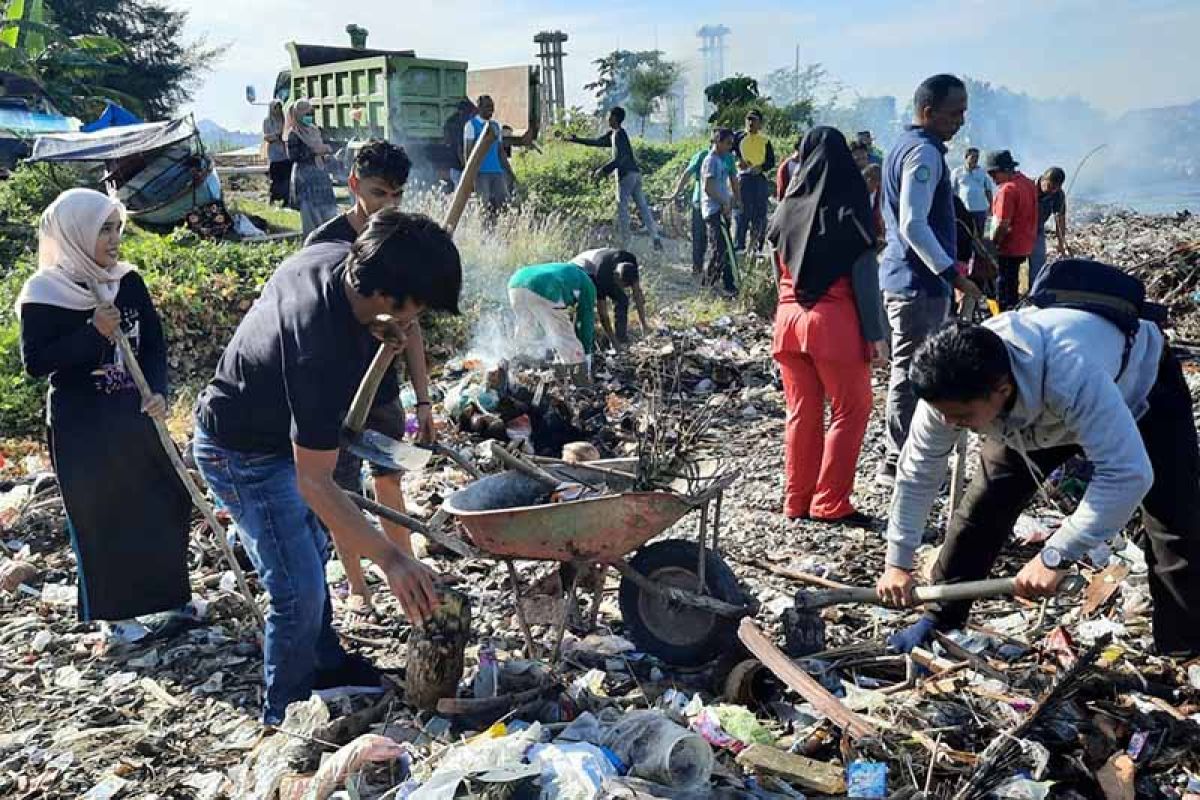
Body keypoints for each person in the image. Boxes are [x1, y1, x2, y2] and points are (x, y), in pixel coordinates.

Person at [192, 209, 462, 724]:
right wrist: (391, 559)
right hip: (240, 450)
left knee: (310, 553)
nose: (416, 319)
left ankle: (326, 662)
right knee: (297, 586)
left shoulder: (337, 257)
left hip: (276, 431)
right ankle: (286, 712)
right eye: (417, 307)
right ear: (385, 293)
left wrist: (381, 328)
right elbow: (313, 480)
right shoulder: (317, 341)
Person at [877, 301, 1200, 660]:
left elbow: (1128, 474)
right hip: (1026, 419)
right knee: (982, 509)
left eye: (961, 416)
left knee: (1173, 522)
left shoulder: (1072, 374)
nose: (950, 424)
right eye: (944, 414)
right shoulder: (947, 389)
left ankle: (1182, 649)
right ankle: (940, 621)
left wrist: (1056, 554)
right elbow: (918, 472)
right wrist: (898, 562)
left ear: (999, 388)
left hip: (1139, 386)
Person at [17, 189, 192, 634]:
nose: (114, 240)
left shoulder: (126, 280)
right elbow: (37, 362)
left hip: (134, 415)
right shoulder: (45, 291)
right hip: (84, 427)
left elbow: (152, 341)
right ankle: (116, 618)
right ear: (74, 233)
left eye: (116, 228)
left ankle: (171, 601)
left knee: (166, 499)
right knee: (102, 515)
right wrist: (93, 333)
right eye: (103, 230)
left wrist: (159, 392)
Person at [305, 140, 435, 614]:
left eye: (397, 195)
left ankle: (406, 571)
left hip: (382, 387)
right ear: (355, 185)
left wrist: (423, 401)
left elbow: (413, 324)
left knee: (390, 480)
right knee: (341, 490)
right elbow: (315, 321)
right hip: (334, 389)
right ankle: (358, 586)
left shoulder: (402, 242)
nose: (389, 204)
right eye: (379, 193)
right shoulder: (326, 244)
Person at [767, 128, 888, 527]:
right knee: (851, 409)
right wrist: (877, 335)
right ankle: (830, 502)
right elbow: (865, 277)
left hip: (787, 321)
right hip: (833, 322)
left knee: (801, 412)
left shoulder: (785, 209)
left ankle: (796, 501)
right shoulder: (849, 206)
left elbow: (779, 270)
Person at [877, 74, 981, 488]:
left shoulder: (904, 147)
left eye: (963, 111)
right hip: (917, 284)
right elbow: (913, 224)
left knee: (911, 366)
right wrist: (953, 274)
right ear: (927, 112)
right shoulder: (924, 154)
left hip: (907, 279)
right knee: (913, 369)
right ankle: (899, 458)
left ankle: (902, 455)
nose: (960, 120)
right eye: (954, 112)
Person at [563, 106, 663, 250]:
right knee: (643, 206)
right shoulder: (615, 134)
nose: (607, 119)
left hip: (626, 175)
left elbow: (620, 158)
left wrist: (603, 170)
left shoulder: (619, 135)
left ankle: (626, 243)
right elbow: (597, 142)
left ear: (615, 118)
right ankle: (655, 237)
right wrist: (576, 140)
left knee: (622, 207)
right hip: (635, 173)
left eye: (610, 116)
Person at [507, 262, 597, 368]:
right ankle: (580, 380)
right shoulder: (586, 281)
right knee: (567, 341)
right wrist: (586, 354)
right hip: (544, 287)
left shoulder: (565, 271)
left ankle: (516, 366)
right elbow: (585, 321)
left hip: (515, 283)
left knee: (526, 330)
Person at [674, 139, 738, 276]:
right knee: (699, 237)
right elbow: (687, 173)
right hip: (700, 201)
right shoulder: (704, 156)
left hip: (720, 204)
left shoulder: (728, 158)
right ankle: (697, 268)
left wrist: (735, 200)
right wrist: (676, 193)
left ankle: (715, 273)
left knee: (720, 241)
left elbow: (733, 179)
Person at [984, 150, 1038, 310]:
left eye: (994, 174)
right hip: (1025, 244)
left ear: (1005, 170)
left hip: (1009, 247)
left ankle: (1003, 315)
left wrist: (993, 244)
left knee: (1003, 283)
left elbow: (1003, 224)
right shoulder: (1028, 183)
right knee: (1013, 280)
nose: (992, 179)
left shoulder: (1007, 190)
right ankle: (1013, 308)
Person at [571, 248, 648, 345]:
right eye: (622, 285)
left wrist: (644, 325)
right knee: (586, 308)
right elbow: (603, 313)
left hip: (603, 262)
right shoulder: (601, 275)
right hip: (581, 269)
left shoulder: (630, 259)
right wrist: (613, 341)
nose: (623, 288)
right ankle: (581, 340)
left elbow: (637, 293)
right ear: (616, 276)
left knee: (622, 299)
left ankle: (622, 339)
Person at [285, 99, 339, 236]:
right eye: (306, 114)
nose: (309, 116)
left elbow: (323, 149)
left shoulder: (315, 131)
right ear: (298, 115)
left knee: (328, 215)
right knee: (311, 218)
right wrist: (315, 151)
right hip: (305, 180)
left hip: (320, 177)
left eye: (311, 113)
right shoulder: (294, 134)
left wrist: (327, 155)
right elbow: (294, 156)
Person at [702, 128, 739, 298]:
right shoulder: (711, 161)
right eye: (727, 143)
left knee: (725, 248)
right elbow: (708, 188)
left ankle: (727, 284)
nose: (730, 147)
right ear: (717, 141)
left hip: (722, 209)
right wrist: (724, 202)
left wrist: (730, 202)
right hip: (713, 210)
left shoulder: (723, 160)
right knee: (719, 248)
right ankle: (708, 284)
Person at [733, 109, 776, 253]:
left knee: (760, 213)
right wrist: (738, 161)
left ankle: (757, 247)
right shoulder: (738, 137)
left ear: (760, 123)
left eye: (754, 120)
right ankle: (739, 246)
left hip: (758, 179)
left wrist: (761, 167)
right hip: (742, 178)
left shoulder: (765, 141)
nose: (751, 122)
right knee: (742, 212)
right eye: (748, 119)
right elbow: (727, 152)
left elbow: (771, 161)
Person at [463, 95, 513, 215]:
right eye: (487, 107)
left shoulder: (496, 126)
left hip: (497, 172)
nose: (491, 110)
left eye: (492, 107)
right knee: (483, 206)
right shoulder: (471, 125)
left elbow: (500, 152)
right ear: (479, 108)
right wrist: (470, 176)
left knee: (505, 203)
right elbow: (468, 152)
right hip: (481, 173)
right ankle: (483, 230)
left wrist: (509, 171)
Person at [1030, 166, 1071, 283]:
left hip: (1037, 228)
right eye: (1050, 187)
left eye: (1056, 188)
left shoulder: (1058, 194)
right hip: (1020, 227)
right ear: (1043, 179)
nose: (1052, 191)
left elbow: (1060, 219)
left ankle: (1033, 291)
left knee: (1038, 262)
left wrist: (1061, 243)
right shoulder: (1028, 187)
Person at [950, 147, 994, 233]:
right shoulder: (957, 172)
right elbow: (952, 192)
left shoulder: (983, 172)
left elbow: (988, 190)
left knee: (983, 234)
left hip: (981, 210)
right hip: (964, 210)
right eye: (973, 157)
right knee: (965, 234)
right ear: (966, 157)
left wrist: (991, 207)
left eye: (977, 157)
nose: (975, 159)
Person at [263, 100, 291, 206]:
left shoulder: (284, 120)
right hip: (274, 153)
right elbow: (266, 136)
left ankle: (286, 199)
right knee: (275, 177)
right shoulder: (267, 121)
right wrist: (276, 135)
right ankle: (273, 198)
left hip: (285, 153)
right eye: (275, 108)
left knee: (285, 178)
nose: (278, 110)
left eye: (279, 107)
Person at [443, 99, 476, 188]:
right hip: (461, 163)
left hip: (454, 163)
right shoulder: (467, 123)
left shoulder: (450, 121)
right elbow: (460, 148)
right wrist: (466, 165)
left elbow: (447, 141)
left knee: (458, 187)